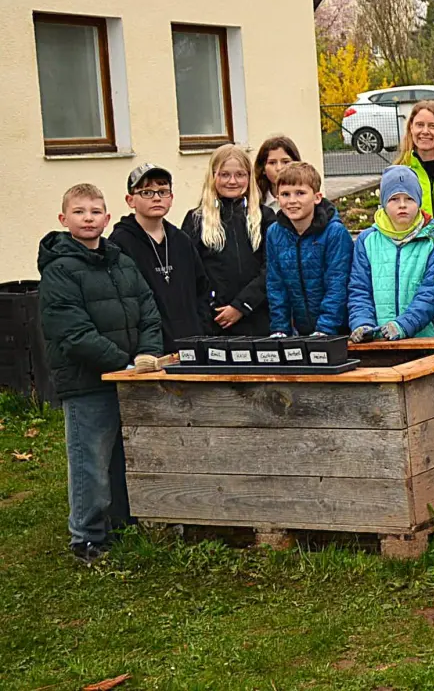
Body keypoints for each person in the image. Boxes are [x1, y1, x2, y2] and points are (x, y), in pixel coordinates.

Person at [39, 184, 163, 564]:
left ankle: (121, 522)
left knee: (124, 456)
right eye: (79, 212)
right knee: (89, 458)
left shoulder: (121, 261)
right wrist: (121, 363)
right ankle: (87, 536)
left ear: (108, 218)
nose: (89, 218)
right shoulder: (59, 271)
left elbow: (148, 309)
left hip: (128, 376)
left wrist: (147, 353)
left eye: (96, 211)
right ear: (64, 220)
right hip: (87, 382)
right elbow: (74, 334)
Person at [109, 164, 209, 352]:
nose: (156, 197)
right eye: (147, 192)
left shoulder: (181, 240)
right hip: (148, 349)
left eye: (163, 191)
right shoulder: (120, 243)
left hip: (191, 344)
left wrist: (201, 329)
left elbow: (201, 288)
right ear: (130, 200)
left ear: (171, 198)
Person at [348, 166, 434, 343]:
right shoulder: (367, 240)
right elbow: (360, 289)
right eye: (394, 199)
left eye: (409, 198)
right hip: (381, 342)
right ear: (384, 203)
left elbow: (432, 292)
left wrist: (404, 325)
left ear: (419, 201)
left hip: (427, 340)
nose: (402, 205)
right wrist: (362, 322)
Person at [183, 144, 272, 336]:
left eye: (240, 175)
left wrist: (241, 306)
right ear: (213, 176)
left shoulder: (265, 217)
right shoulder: (196, 219)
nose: (232, 181)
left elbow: (271, 268)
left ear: (249, 177)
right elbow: (191, 273)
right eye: (224, 175)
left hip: (259, 318)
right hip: (215, 322)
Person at [265, 162, 353, 336]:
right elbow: (276, 285)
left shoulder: (334, 233)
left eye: (300, 193)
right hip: (301, 330)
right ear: (277, 198)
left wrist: (325, 328)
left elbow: (337, 283)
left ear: (317, 197)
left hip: (337, 329)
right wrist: (280, 328)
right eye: (285, 194)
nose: (292, 201)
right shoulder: (274, 233)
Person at [254, 135, 301, 213]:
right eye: (272, 163)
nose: (279, 168)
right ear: (263, 169)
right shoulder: (255, 202)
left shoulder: (306, 198)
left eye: (286, 162)